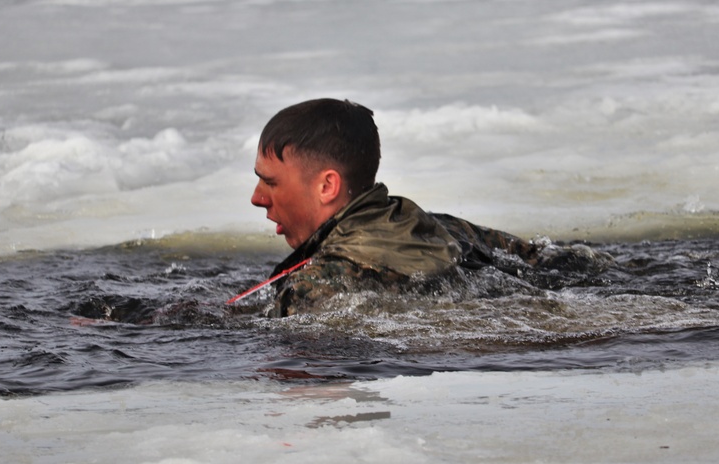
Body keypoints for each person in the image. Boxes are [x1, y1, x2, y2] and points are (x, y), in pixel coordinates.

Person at [249, 98, 605, 317]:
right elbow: (561, 264)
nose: (257, 197)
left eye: (271, 182)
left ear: (327, 186)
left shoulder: (314, 289)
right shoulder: (442, 230)